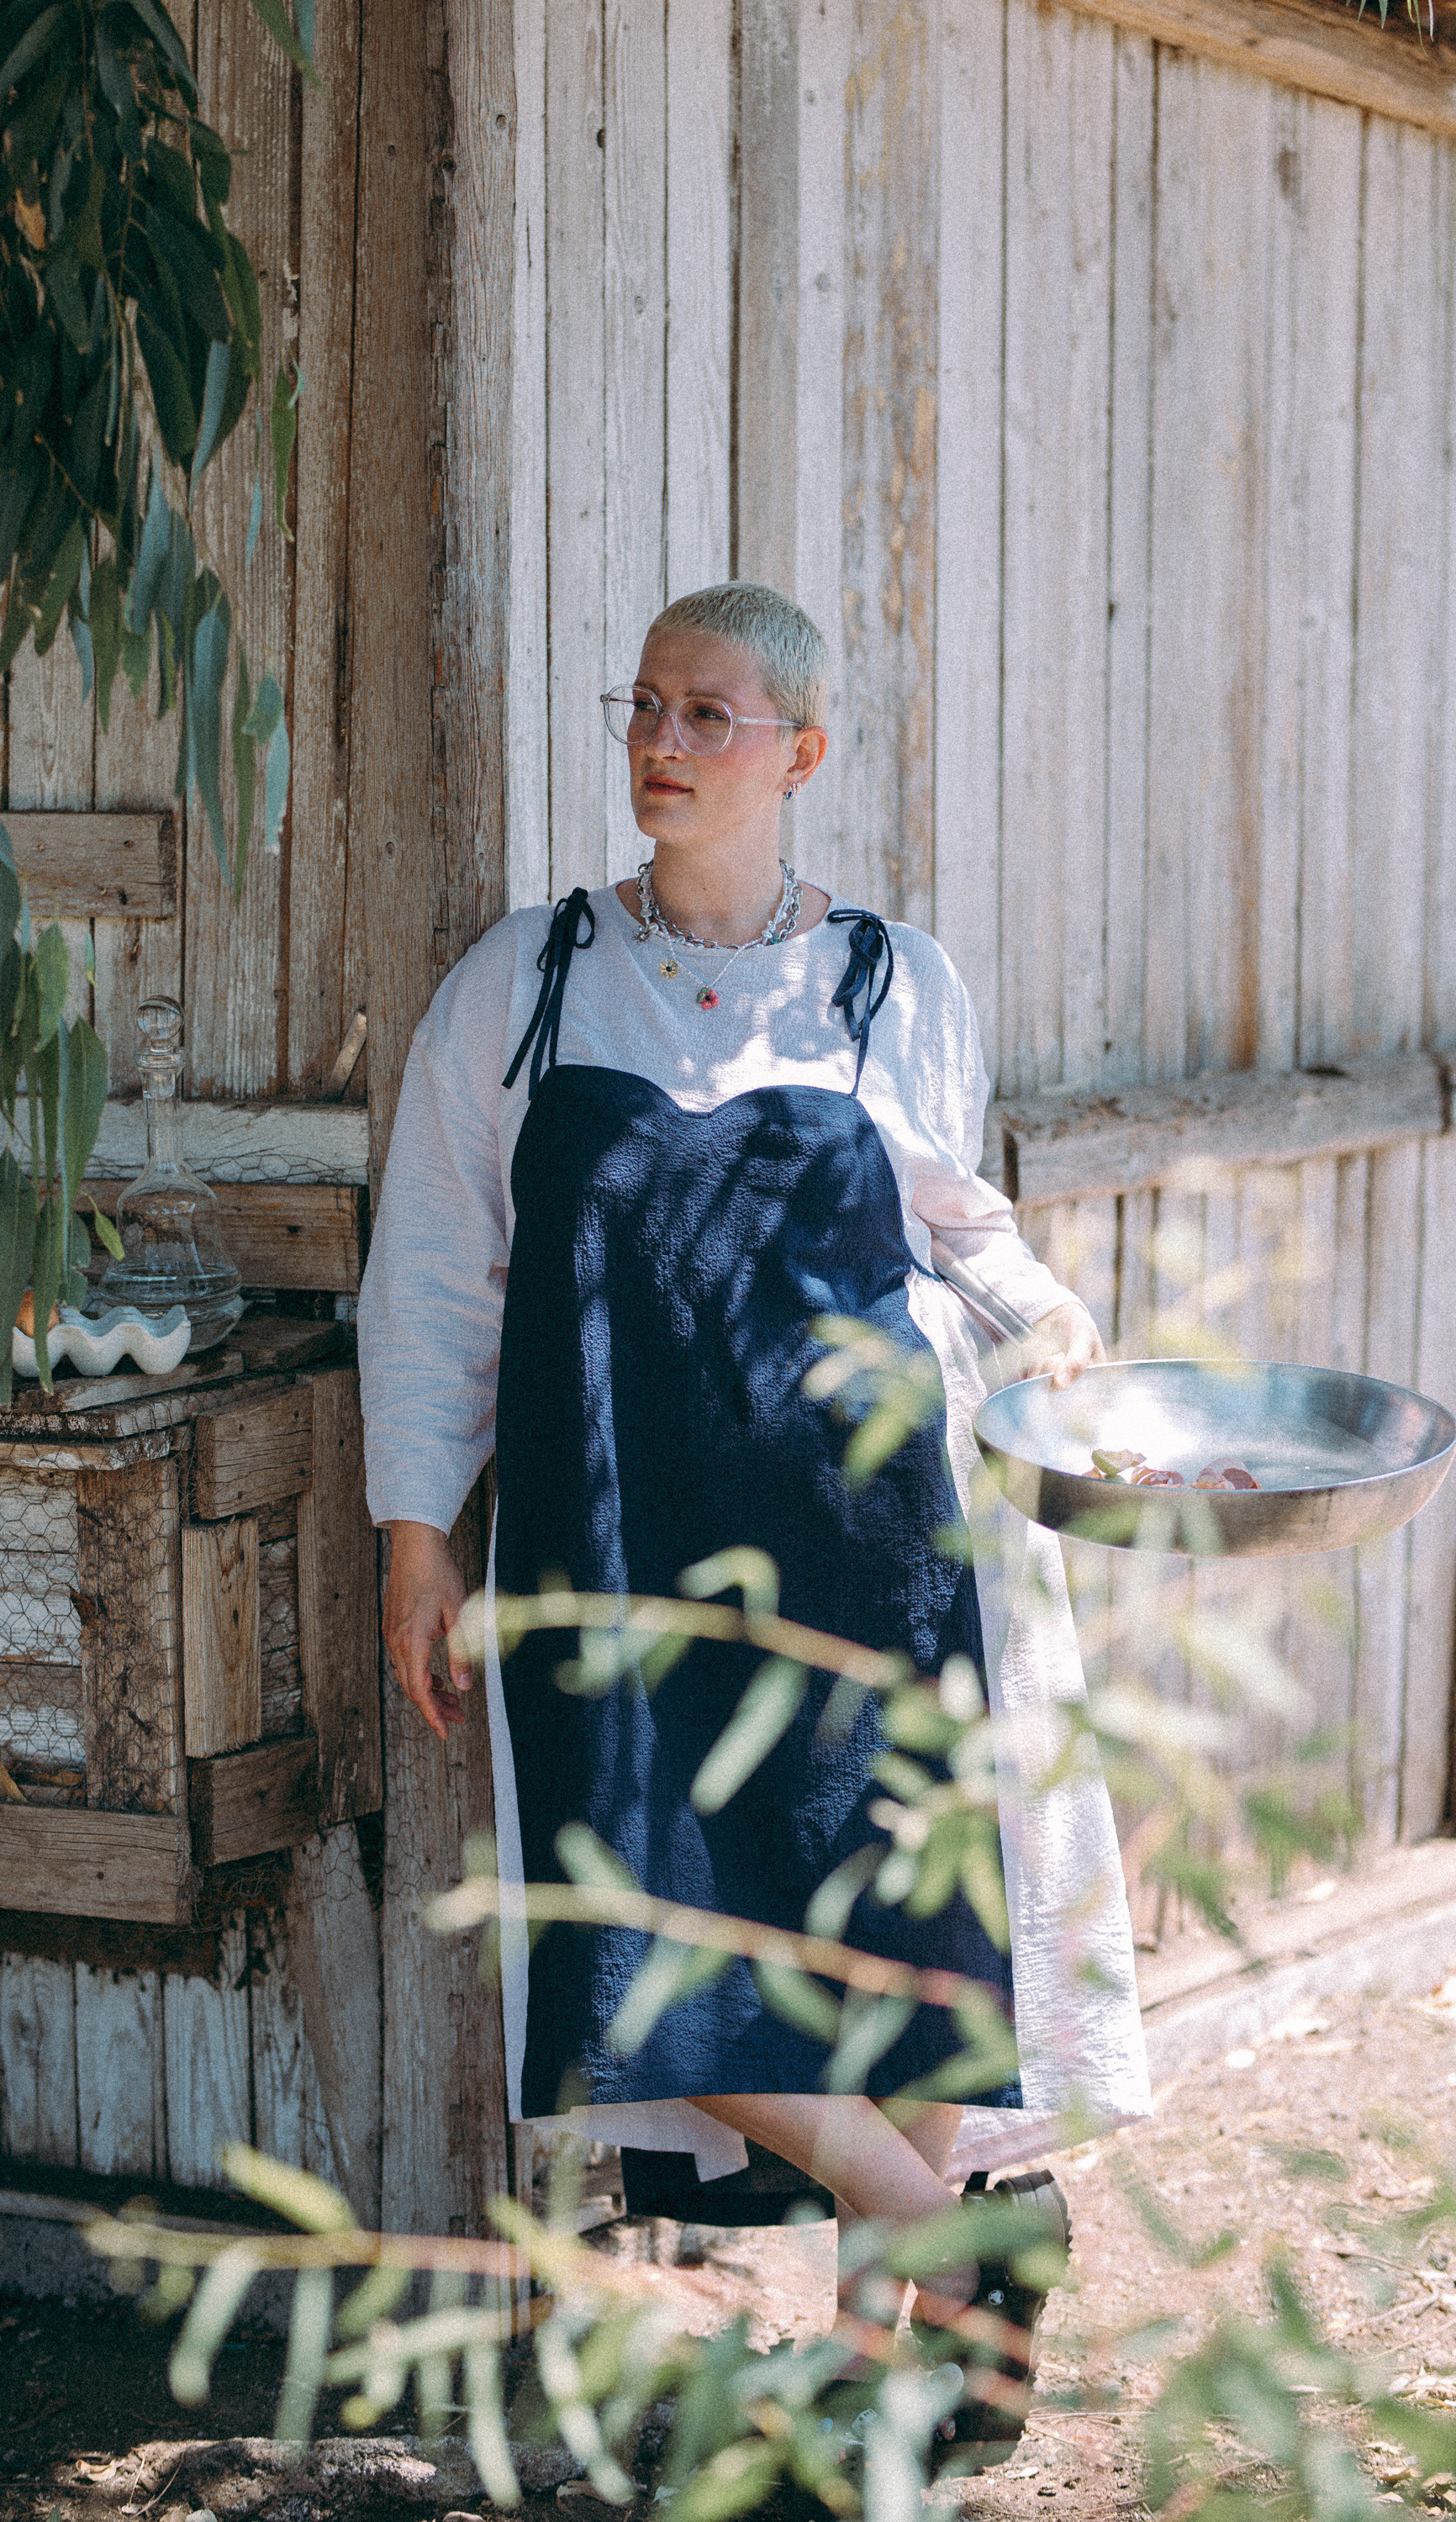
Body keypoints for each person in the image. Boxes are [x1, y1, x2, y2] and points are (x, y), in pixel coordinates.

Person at [358, 581, 1150, 2463]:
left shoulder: (892, 982)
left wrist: (1055, 1326)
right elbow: (437, 1278)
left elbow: (959, 1231)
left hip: (869, 1549)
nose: (663, 739)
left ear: (799, 754)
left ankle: (908, 2400)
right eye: (644, 703)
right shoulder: (527, 982)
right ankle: (950, 2245)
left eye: (711, 714)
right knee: (649, 1936)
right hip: (617, 1550)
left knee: (898, 1935)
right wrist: (415, 1525)